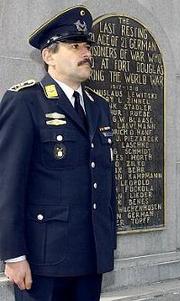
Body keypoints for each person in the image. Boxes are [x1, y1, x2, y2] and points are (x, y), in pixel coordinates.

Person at [0, 6, 117, 301]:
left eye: (87, 46)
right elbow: (7, 184)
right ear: (48, 56)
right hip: (43, 260)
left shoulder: (98, 106)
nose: (86, 52)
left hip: (91, 256)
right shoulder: (25, 102)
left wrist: (106, 243)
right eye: (75, 45)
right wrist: (13, 255)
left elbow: (104, 182)